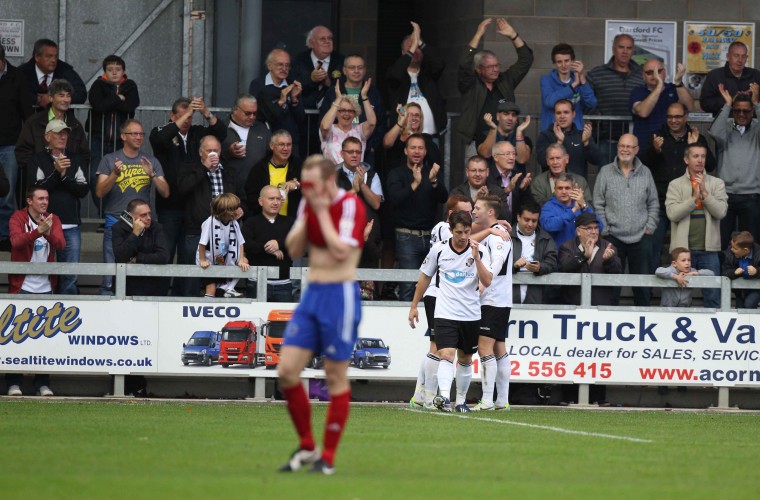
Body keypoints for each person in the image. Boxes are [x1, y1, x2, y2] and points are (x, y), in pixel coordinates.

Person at [277, 154, 367, 475]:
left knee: (334, 376)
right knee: (287, 371)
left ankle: (327, 456)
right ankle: (307, 446)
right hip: (311, 294)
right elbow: (293, 249)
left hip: (339, 295)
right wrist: (308, 213)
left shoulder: (351, 205)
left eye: (312, 183)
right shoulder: (308, 203)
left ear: (329, 181)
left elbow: (341, 250)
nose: (307, 189)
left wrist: (320, 212)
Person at [408, 210, 492, 412]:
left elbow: (487, 281)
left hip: (470, 313)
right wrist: (413, 306)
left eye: (467, 232)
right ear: (451, 230)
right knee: (446, 353)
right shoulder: (439, 249)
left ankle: (461, 401)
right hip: (445, 311)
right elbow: (425, 277)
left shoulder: (479, 251)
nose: (463, 237)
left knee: (465, 358)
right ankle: (444, 398)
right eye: (459, 232)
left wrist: (476, 259)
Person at [149, 96, 226, 294]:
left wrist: (206, 113)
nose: (188, 120)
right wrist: (187, 115)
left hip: (193, 206)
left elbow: (220, 133)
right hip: (169, 206)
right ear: (172, 116)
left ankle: (181, 297)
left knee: (189, 255)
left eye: (191, 117)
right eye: (183, 116)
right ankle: (160, 297)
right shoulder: (161, 132)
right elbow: (159, 139)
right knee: (165, 253)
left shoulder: (198, 133)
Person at [96, 119, 169, 295]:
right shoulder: (109, 159)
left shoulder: (150, 160)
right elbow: (100, 192)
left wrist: (152, 175)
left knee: (140, 273)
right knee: (111, 272)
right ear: (123, 136)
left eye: (141, 134)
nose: (138, 137)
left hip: (144, 223)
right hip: (117, 220)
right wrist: (114, 174)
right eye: (134, 133)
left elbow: (165, 192)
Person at [6, 185, 65, 397]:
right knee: (16, 338)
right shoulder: (18, 217)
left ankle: (43, 383)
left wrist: (47, 232)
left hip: (46, 288)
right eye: (40, 199)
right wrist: (36, 232)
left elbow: (61, 244)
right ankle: (14, 383)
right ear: (29, 201)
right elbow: (16, 242)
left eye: (47, 199)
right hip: (21, 287)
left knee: (44, 340)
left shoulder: (53, 218)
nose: (44, 202)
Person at [558, 212, 621, 406]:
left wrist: (610, 261)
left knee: (599, 354)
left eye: (596, 228)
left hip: (600, 308)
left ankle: (598, 398)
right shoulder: (567, 246)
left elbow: (618, 274)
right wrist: (582, 256)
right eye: (589, 228)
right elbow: (564, 268)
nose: (593, 232)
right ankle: (568, 396)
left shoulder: (608, 247)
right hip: (573, 308)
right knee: (571, 353)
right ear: (578, 231)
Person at [645, 102, 717, 270]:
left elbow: (711, 165)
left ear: (686, 117)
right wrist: (655, 150)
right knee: (653, 249)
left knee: (686, 252)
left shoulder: (697, 137)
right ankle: (649, 292)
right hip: (662, 202)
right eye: (670, 116)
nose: (673, 120)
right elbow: (645, 165)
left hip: (690, 204)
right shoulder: (657, 136)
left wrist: (694, 145)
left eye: (678, 116)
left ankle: (686, 290)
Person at [593, 134, 659, 306]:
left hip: (641, 236)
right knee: (612, 285)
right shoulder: (605, 172)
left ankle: (643, 319)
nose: (625, 149)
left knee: (643, 285)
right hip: (612, 237)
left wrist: (650, 227)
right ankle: (609, 323)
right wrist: (605, 229)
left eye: (629, 146)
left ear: (636, 150)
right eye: (622, 145)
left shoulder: (646, 173)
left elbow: (653, 203)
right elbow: (598, 203)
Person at [177, 135, 246, 297]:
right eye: (209, 151)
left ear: (221, 152)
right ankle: (189, 305)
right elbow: (182, 190)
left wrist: (241, 209)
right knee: (193, 273)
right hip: (197, 230)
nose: (213, 154)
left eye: (216, 150)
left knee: (222, 271)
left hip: (225, 231)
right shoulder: (190, 168)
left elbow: (242, 196)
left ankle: (220, 300)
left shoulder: (229, 170)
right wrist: (204, 168)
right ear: (201, 153)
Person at [29, 119, 88, 295]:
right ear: (48, 136)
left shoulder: (75, 158)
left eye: (65, 133)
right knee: (42, 274)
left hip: (70, 225)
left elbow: (83, 190)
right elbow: (35, 190)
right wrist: (57, 173)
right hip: (43, 225)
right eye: (58, 133)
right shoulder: (37, 159)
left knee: (70, 275)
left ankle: (67, 313)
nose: (63, 136)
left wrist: (63, 177)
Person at [386, 134, 448, 301]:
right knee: (408, 285)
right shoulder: (396, 174)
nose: (417, 151)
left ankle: (430, 325)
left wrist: (434, 181)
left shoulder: (431, 172)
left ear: (426, 151)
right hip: (407, 236)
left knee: (432, 286)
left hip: (430, 237)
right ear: (406, 151)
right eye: (413, 148)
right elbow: (395, 199)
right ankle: (407, 326)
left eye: (420, 148)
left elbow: (444, 198)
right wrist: (415, 183)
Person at [665, 144, 728, 308]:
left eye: (703, 156)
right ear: (686, 159)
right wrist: (694, 199)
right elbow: (672, 214)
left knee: (713, 297)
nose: (700, 160)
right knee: (678, 297)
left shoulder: (717, 183)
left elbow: (721, 212)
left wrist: (705, 194)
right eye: (695, 156)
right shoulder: (675, 184)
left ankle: (715, 332)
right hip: (682, 251)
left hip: (709, 250)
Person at [457, 17, 533, 152]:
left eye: (497, 65)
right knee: (477, 173)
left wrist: (513, 36)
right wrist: (478, 34)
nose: (496, 69)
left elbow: (526, 60)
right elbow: (464, 63)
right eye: (490, 66)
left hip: (506, 142)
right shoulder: (470, 84)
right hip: (477, 145)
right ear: (478, 69)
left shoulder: (505, 80)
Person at [470, 195, 513, 412]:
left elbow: (496, 265)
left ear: (490, 212)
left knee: (485, 347)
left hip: (493, 299)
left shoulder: (499, 237)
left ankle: (487, 400)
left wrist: (484, 285)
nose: (473, 211)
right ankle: (501, 400)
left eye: (477, 208)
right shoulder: (492, 232)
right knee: (498, 347)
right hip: (498, 299)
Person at [708, 84, 760, 250]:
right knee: (722, 242)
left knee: (751, 244)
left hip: (751, 194)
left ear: (752, 112)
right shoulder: (727, 126)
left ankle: (751, 273)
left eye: (746, 111)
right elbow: (714, 133)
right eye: (737, 111)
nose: (742, 114)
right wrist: (727, 105)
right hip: (726, 194)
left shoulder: (757, 129)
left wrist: (756, 102)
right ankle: (724, 274)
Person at [87, 54, 140, 208]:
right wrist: (118, 98)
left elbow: (130, 106)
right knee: (94, 176)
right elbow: (98, 105)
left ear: (123, 71)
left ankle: (116, 213)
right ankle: (104, 214)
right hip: (98, 139)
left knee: (122, 177)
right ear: (105, 72)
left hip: (121, 142)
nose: (114, 72)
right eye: (110, 69)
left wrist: (110, 101)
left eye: (118, 69)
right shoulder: (98, 85)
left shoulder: (130, 85)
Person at [15, 79, 90, 188]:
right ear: (50, 98)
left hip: (68, 185)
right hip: (41, 185)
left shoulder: (76, 125)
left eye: (68, 96)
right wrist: (38, 170)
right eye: (61, 95)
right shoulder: (34, 122)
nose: (66, 99)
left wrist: (70, 173)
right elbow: (22, 151)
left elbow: (84, 154)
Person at [335, 137, 383, 297]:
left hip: (368, 241)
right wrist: (354, 190)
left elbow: (376, 203)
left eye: (358, 152)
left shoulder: (372, 174)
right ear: (342, 153)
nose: (355, 155)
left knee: (367, 293)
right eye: (350, 152)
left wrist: (361, 185)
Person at [587, 34, 644, 165]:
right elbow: (586, 101)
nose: (625, 51)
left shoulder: (642, 74)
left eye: (629, 48)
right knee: (607, 179)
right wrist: (598, 116)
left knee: (632, 180)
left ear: (633, 51)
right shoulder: (597, 73)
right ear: (613, 49)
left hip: (634, 140)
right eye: (621, 47)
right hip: (606, 139)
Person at [319, 54, 386, 164]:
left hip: (364, 149)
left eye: (360, 67)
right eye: (352, 67)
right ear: (344, 71)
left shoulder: (373, 92)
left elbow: (378, 122)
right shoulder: (334, 91)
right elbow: (323, 123)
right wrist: (338, 100)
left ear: (364, 70)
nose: (356, 71)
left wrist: (372, 146)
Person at [0, 43, 34, 250]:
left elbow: (27, 112)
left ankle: (5, 235)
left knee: (7, 193)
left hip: (9, 144)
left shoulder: (17, 77)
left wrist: (25, 141)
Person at [386, 22, 446, 138]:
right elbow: (394, 75)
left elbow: (440, 64)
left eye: (418, 48)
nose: (414, 51)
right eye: (410, 48)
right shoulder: (396, 74)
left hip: (430, 136)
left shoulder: (428, 73)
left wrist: (420, 43)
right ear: (404, 53)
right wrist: (413, 48)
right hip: (405, 137)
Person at [248, 49, 306, 157]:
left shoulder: (293, 84)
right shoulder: (258, 85)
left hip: (290, 142)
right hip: (267, 140)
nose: (284, 69)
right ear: (270, 66)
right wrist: (281, 101)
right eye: (280, 65)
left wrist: (294, 99)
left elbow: (301, 117)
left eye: (287, 65)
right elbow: (261, 115)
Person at [241, 185, 295, 302]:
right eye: (271, 198)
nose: (275, 202)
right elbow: (246, 245)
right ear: (261, 201)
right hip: (256, 283)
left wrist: (279, 243)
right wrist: (269, 248)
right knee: (255, 319)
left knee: (283, 320)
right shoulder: (251, 222)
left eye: (278, 199)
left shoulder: (290, 222)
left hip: (283, 284)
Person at [630, 58, 693, 157]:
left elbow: (689, 107)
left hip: (670, 148)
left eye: (658, 71)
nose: (655, 75)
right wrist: (659, 86)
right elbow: (643, 112)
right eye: (650, 72)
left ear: (665, 72)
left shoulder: (674, 88)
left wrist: (678, 82)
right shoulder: (637, 91)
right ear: (643, 76)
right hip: (644, 148)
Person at [112, 198, 170, 296]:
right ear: (131, 216)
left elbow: (164, 256)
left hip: (152, 286)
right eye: (143, 215)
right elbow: (120, 257)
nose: (149, 218)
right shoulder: (118, 228)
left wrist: (137, 258)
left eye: (149, 214)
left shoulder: (157, 228)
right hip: (126, 287)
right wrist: (135, 233)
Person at [197, 193, 249, 298]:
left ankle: (227, 289)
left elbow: (240, 242)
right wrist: (202, 260)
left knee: (245, 262)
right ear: (227, 211)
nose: (239, 210)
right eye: (235, 208)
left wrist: (241, 259)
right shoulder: (209, 222)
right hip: (209, 258)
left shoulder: (234, 223)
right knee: (211, 286)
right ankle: (208, 308)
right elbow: (202, 244)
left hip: (224, 256)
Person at [244, 130, 302, 218]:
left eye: (289, 144)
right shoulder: (259, 169)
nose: (286, 148)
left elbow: (313, 188)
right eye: (281, 144)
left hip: (293, 223)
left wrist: (297, 184)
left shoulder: (300, 166)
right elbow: (251, 199)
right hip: (267, 224)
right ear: (271, 146)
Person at [540, 43, 596, 131]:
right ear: (555, 63)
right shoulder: (547, 80)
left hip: (574, 133)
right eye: (559, 62)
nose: (563, 65)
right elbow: (549, 102)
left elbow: (591, 103)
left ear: (572, 61)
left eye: (566, 61)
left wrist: (581, 77)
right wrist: (573, 86)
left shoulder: (579, 79)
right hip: (551, 133)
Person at [511, 199, 558, 305]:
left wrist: (540, 267)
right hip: (508, 295)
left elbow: (553, 262)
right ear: (518, 217)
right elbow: (497, 264)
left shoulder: (546, 238)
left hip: (536, 294)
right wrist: (514, 266)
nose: (530, 224)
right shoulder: (506, 236)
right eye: (526, 220)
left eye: (534, 221)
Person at [319, 80, 376, 165]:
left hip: (355, 176)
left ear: (355, 113)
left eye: (350, 111)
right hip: (333, 176)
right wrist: (338, 99)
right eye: (342, 110)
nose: (346, 114)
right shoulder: (330, 129)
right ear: (336, 113)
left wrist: (364, 96)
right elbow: (325, 127)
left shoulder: (359, 130)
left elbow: (372, 123)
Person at [221, 94, 272, 189]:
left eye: (255, 113)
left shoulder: (262, 129)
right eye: (248, 113)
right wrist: (229, 152)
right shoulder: (222, 128)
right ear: (235, 109)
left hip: (257, 187)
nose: (252, 117)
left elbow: (271, 154)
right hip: (229, 187)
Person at [536, 99, 597, 177]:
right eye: (558, 113)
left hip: (577, 185)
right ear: (554, 115)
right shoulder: (545, 136)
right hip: (552, 186)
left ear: (573, 114)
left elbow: (596, 160)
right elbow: (542, 162)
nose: (562, 116)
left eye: (566, 112)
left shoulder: (582, 135)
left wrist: (586, 143)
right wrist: (558, 143)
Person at [18, 38, 87, 107]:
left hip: (60, 117)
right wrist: (37, 99)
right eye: (48, 56)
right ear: (37, 57)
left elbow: (81, 94)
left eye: (55, 56)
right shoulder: (21, 73)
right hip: (30, 117)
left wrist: (55, 99)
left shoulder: (65, 71)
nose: (53, 60)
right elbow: (13, 92)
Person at [290, 26, 345, 110]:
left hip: (332, 113)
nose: (327, 41)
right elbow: (292, 84)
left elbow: (346, 87)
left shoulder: (341, 60)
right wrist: (311, 79)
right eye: (322, 39)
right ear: (311, 43)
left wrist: (329, 83)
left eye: (330, 38)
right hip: (305, 115)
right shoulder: (300, 59)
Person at [540, 171, 599, 248]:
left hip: (582, 254)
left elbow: (599, 227)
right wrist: (573, 210)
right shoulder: (548, 207)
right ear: (554, 189)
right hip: (558, 255)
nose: (564, 192)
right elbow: (550, 226)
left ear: (573, 189)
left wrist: (584, 206)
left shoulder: (581, 205)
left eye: (567, 188)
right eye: (560, 188)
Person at [700, 41, 760, 116]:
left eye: (743, 56)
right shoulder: (715, 75)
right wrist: (731, 100)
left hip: (751, 124)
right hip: (723, 123)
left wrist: (756, 98)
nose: (740, 60)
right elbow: (705, 104)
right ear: (728, 56)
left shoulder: (755, 75)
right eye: (736, 55)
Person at [477, 101, 532, 175]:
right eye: (506, 114)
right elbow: (486, 154)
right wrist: (493, 129)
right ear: (497, 116)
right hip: (490, 183)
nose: (510, 118)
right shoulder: (484, 135)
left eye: (514, 115)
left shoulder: (524, 139)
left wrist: (519, 131)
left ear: (517, 119)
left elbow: (522, 159)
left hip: (516, 183)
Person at [383, 102, 442, 170]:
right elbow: (386, 143)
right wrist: (402, 120)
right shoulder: (395, 138)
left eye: (417, 115)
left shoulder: (426, 140)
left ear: (420, 119)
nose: (413, 118)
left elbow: (436, 166)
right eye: (409, 115)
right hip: (397, 179)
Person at [532, 143, 593, 208]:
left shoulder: (580, 181)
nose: (555, 162)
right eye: (552, 159)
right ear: (547, 161)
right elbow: (537, 207)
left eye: (558, 158)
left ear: (566, 159)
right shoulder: (538, 181)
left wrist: (582, 203)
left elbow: (591, 209)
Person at [451, 155, 510, 220]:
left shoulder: (498, 192)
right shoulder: (456, 193)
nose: (477, 174)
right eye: (473, 170)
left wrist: (488, 200)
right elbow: (452, 219)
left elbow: (506, 217)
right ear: (467, 172)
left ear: (487, 172)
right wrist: (472, 200)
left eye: (481, 171)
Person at [489, 141, 533, 224]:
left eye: (513, 154)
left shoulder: (518, 176)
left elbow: (529, 206)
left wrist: (522, 190)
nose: (512, 158)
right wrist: (507, 190)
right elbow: (489, 204)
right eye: (507, 154)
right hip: (494, 225)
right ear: (495, 157)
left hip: (514, 227)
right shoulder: (488, 176)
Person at [722, 231, 760, 308]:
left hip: (757, 290)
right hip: (740, 290)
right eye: (731, 246)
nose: (732, 249)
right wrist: (734, 272)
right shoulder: (730, 252)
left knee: (749, 304)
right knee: (739, 309)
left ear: (745, 250)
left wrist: (757, 271)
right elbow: (724, 271)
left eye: (735, 248)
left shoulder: (758, 253)